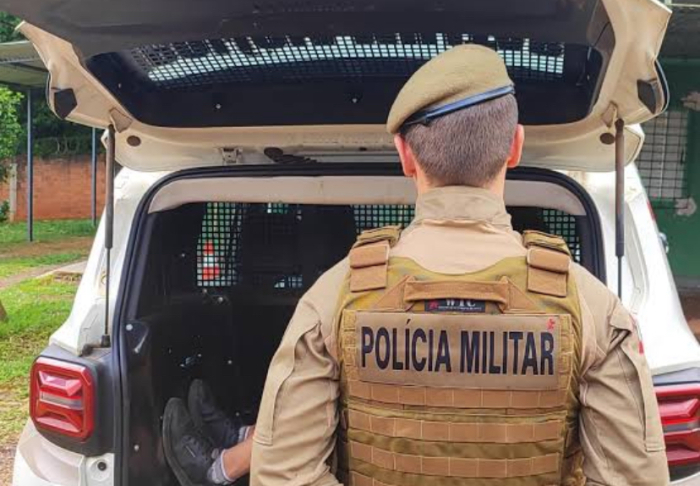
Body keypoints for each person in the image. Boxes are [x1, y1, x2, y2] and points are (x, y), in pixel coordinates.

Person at [164, 44, 670, 486]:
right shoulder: (596, 311)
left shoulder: (332, 298)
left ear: (405, 155)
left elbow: (282, 475)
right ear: (515, 146)